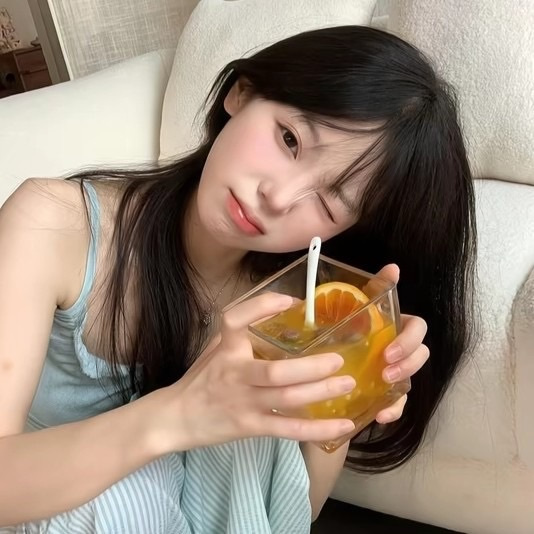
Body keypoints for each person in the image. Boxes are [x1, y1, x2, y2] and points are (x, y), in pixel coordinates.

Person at [0, 25, 476, 532]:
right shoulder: (53, 224)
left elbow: (288, 514)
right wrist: (177, 415)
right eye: (290, 139)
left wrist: (343, 400)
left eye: (329, 201)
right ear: (241, 93)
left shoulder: (291, 310)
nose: (279, 196)